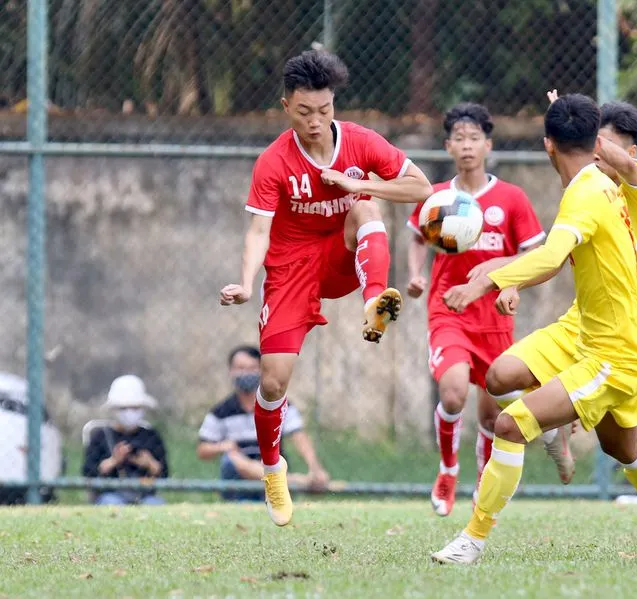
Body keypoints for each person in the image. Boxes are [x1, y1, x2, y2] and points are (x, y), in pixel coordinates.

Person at [431, 94, 637, 564]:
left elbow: (552, 258)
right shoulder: (601, 185)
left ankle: (471, 540)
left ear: (547, 145)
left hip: (615, 349)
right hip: (585, 329)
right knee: (503, 378)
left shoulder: (611, 188)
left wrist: (489, 280)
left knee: (511, 424)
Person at [219, 50, 433, 527]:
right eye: (303, 112)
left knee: (366, 208)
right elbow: (258, 231)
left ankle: (375, 299)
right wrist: (247, 282)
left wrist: (357, 184)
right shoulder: (274, 161)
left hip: (340, 250)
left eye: (324, 110)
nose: (315, 122)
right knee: (273, 381)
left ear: (334, 104)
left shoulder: (360, 143)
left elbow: (422, 188)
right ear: (285, 106)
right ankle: (274, 469)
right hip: (291, 267)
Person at [483, 94, 637, 480]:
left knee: (623, 442)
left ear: (629, 152)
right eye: (592, 143)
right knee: (500, 376)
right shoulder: (588, 189)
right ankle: (552, 428)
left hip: (626, 336)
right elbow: (554, 250)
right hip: (582, 324)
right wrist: (512, 279)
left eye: (604, 146)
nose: (595, 155)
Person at [406, 102, 548, 516]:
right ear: (448, 146)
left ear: (488, 144)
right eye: (459, 139)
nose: (467, 147)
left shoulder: (511, 198)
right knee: (452, 393)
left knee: (490, 415)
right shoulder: (437, 198)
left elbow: (535, 253)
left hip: (495, 319)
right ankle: (448, 469)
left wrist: (513, 285)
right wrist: (416, 276)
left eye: (475, 139)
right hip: (448, 309)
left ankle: (484, 477)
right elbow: (416, 236)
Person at [197, 345, 331, 500]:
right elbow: (202, 450)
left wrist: (315, 468)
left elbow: (299, 436)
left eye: (251, 368)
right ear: (231, 371)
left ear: (262, 371)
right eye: (240, 368)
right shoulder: (221, 412)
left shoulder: (279, 406)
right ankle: (290, 481)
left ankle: (278, 481)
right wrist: (222, 446)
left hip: (271, 469)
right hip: (238, 483)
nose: (245, 374)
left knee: (274, 461)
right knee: (231, 458)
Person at [82, 375, 169, 505]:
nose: (129, 412)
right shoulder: (101, 436)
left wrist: (149, 463)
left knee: (156, 504)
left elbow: (164, 473)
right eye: (123, 408)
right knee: (111, 503)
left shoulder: (151, 436)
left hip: (144, 495)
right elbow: (88, 473)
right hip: (110, 494)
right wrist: (114, 461)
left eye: (135, 408)